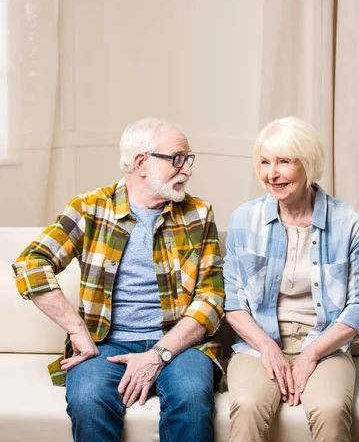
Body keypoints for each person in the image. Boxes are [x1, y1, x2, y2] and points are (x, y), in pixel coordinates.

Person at [12, 118, 225, 442]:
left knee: (193, 398)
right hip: (105, 343)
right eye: (178, 158)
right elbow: (30, 263)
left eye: (188, 159)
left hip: (178, 343)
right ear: (142, 162)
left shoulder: (198, 214)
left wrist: (158, 355)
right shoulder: (90, 209)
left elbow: (211, 296)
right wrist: (76, 329)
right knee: (88, 401)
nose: (188, 170)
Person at [223, 116, 359, 442]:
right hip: (259, 344)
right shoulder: (244, 219)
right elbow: (234, 304)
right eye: (265, 162)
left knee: (331, 409)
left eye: (284, 162)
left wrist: (310, 354)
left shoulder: (348, 222)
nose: (272, 174)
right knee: (247, 404)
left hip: (327, 344)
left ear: (308, 163)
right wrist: (268, 348)